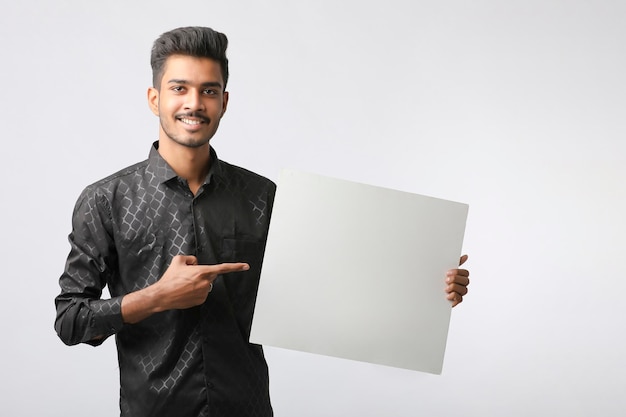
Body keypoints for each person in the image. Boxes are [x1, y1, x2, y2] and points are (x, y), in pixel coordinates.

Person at [54, 26, 470, 417]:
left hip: (247, 407)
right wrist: (158, 296)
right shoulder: (105, 200)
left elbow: (324, 285)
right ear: (154, 98)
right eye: (179, 88)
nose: (194, 103)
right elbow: (71, 321)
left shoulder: (261, 196)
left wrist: (426, 289)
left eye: (208, 91)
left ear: (224, 102)